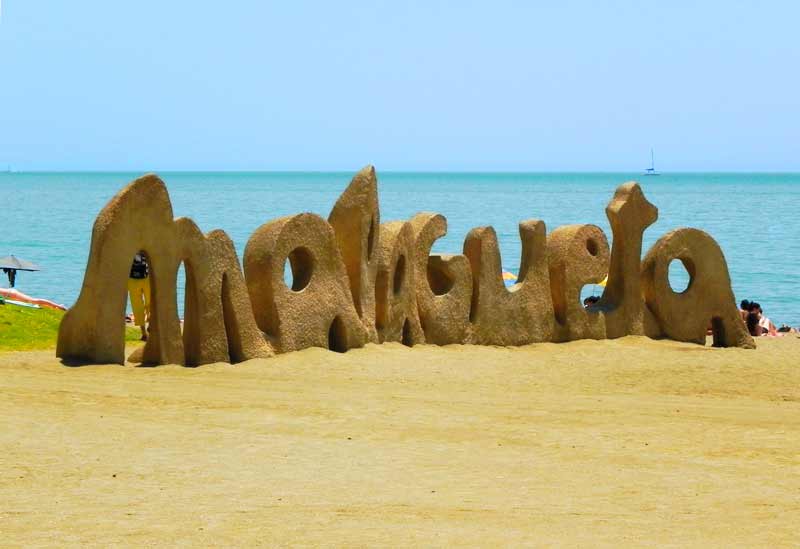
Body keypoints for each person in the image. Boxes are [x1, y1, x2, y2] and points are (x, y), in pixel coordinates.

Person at [128, 252, 151, 340]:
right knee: (137, 307)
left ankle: (150, 323)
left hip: (147, 277)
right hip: (132, 278)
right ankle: (144, 333)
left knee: (150, 302)